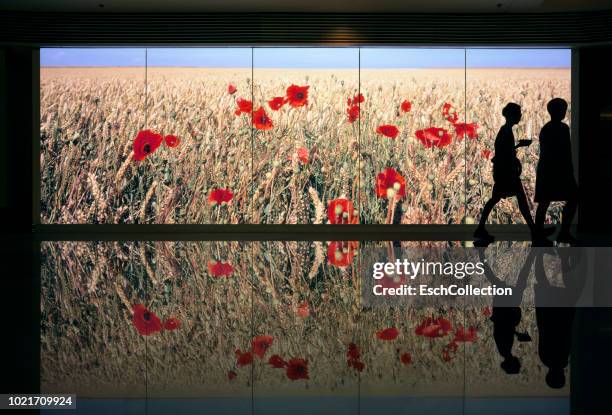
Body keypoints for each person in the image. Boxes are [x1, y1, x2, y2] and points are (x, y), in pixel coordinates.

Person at [474, 103, 551, 244]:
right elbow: (504, 153)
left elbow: (504, 150)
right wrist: (515, 159)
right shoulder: (506, 131)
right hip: (506, 173)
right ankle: (535, 232)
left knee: (499, 199)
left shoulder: (506, 130)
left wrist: (517, 147)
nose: (521, 115)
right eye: (519, 113)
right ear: (512, 115)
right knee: (516, 201)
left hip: (504, 171)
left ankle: (481, 228)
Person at [535, 98, 578, 244]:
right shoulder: (563, 128)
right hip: (559, 170)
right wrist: (569, 171)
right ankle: (563, 232)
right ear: (556, 112)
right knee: (572, 198)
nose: (564, 112)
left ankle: (539, 234)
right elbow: (565, 153)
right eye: (563, 109)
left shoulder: (546, 128)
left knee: (544, 202)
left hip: (547, 170)